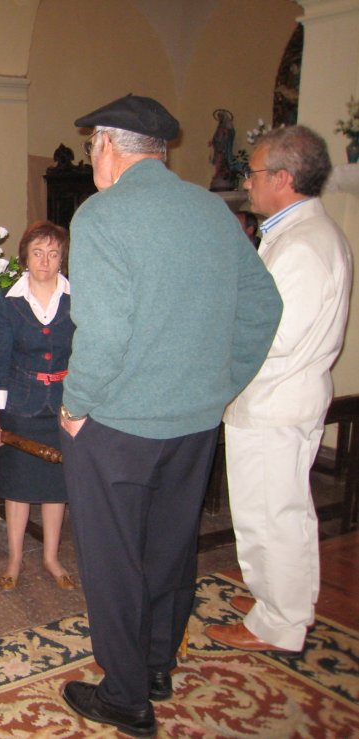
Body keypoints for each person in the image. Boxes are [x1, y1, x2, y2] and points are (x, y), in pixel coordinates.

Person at [58, 95, 282, 737]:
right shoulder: (212, 210)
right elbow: (263, 306)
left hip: (118, 426)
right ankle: (157, 665)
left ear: (108, 145)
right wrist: (220, 383)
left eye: (94, 145)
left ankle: (127, 696)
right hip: (194, 424)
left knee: (114, 560)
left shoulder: (102, 215)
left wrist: (75, 404)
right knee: (168, 550)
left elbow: (103, 333)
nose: (93, 156)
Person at [208, 126, 352, 654]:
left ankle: (278, 623)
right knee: (276, 511)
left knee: (273, 516)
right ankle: (279, 601)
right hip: (274, 398)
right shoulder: (296, 235)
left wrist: (216, 340)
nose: (247, 182)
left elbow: (277, 334)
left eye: (254, 173)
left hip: (277, 400)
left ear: (284, 179)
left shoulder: (304, 245)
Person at [0, 220, 76, 592]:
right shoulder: (9, 301)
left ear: (62, 258)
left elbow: (85, 354)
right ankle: (15, 559)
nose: (45, 261)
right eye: (38, 253)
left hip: (64, 404)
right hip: (20, 404)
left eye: (53, 254)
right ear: (25, 257)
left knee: (57, 485)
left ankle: (51, 557)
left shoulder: (77, 297)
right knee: (19, 485)